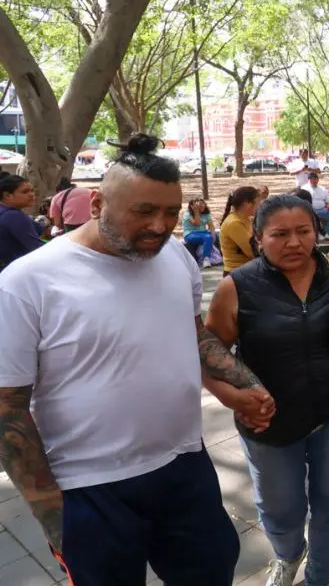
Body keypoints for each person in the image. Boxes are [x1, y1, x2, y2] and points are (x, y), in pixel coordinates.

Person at [0, 135, 243, 584]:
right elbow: (8, 407)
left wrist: (247, 386)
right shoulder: (25, 283)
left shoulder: (175, 257)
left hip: (184, 464)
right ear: (96, 203)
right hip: (89, 487)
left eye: (171, 212)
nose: (160, 226)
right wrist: (54, 518)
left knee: (213, 571)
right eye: (144, 211)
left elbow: (195, 335)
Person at [206, 194, 329, 586]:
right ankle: (288, 554)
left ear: (316, 232)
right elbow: (207, 352)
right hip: (268, 422)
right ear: (257, 238)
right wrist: (231, 397)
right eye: (279, 234)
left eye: (303, 231)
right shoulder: (237, 287)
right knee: (280, 508)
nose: (294, 242)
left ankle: (319, 577)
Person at [0, 175, 43, 270]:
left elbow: (40, 229)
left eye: (32, 190)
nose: (32, 194)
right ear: (7, 195)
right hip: (13, 270)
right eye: (25, 192)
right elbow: (38, 248)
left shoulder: (6, 211)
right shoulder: (13, 215)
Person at [220, 186, 260, 274]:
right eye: (258, 202)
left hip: (247, 270)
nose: (259, 206)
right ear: (247, 203)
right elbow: (252, 251)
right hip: (237, 273)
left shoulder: (247, 219)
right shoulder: (234, 223)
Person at [303, 171, 329, 237]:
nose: (314, 180)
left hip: (323, 210)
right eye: (312, 179)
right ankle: (315, 234)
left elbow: (328, 200)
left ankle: (326, 232)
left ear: (318, 180)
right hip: (310, 211)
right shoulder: (304, 188)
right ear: (309, 180)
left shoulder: (322, 189)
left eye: (316, 179)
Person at [182, 197, 217, 267]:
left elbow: (211, 226)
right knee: (208, 237)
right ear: (193, 206)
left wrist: (213, 235)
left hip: (203, 233)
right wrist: (196, 212)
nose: (202, 206)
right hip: (190, 234)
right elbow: (197, 223)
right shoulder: (187, 214)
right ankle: (206, 259)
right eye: (200, 204)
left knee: (218, 237)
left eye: (203, 204)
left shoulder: (206, 214)